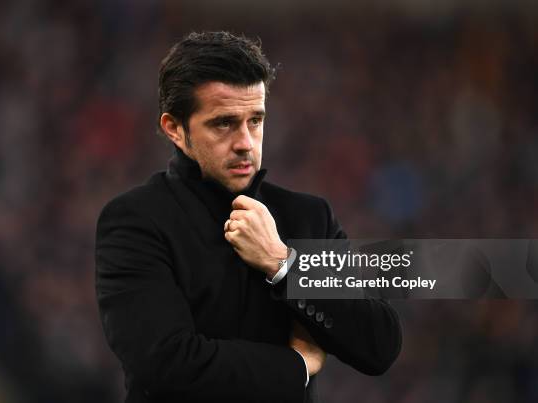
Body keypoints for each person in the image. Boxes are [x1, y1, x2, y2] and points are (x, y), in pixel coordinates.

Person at [95, 31, 402, 403]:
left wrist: (284, 265)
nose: (245, 142)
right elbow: (165, 364)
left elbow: (379, 344)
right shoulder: (135, 222)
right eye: (223, 123)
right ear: (175, 129)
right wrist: (296, 366)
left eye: (255, 120)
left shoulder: (307, 218)